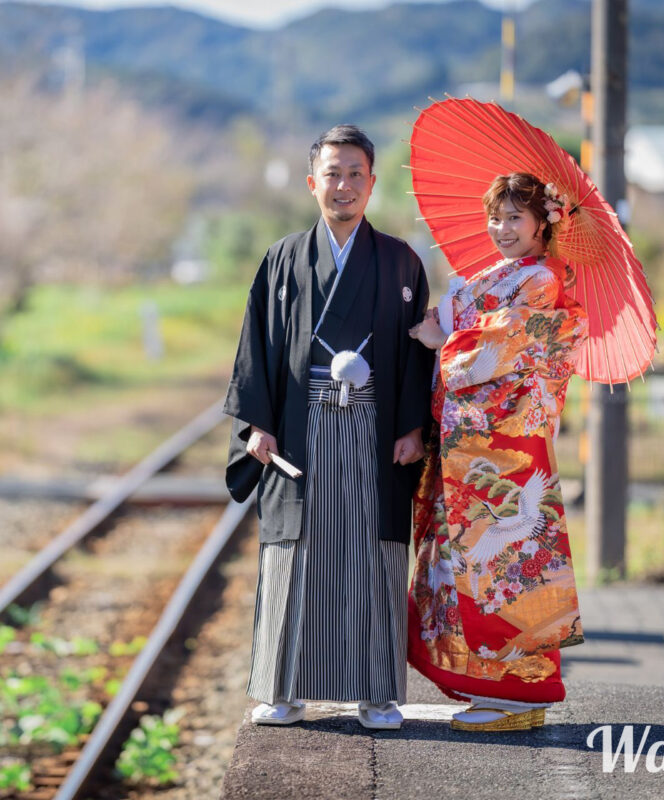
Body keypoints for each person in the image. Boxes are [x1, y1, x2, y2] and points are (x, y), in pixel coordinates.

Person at [224, 124, 432, 730]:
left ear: (372, 184)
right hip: (298, 429)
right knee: (296, 555)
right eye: (332, 174)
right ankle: (285, 691)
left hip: (375, 427)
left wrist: (413, 426)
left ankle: (377, 695)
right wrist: (256, 425)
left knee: (373, 556)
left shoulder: (401, 261)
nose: (343, 186)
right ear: (312, 182)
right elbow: (256, 347)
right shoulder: (283, 258)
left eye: (355, 175)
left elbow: (419, 355)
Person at [406, 171, 587, 732]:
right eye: (496, 216)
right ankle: (488, 683)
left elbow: (504, 345)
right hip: (475, 446)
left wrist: (447, 336)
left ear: (543, 224)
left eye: (515, 218)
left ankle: (521, 689)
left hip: (504, 450)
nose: (501, 228)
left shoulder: (543, 281)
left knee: (505, 563)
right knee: (469, 563)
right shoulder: (503, 275)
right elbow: (476, 321)